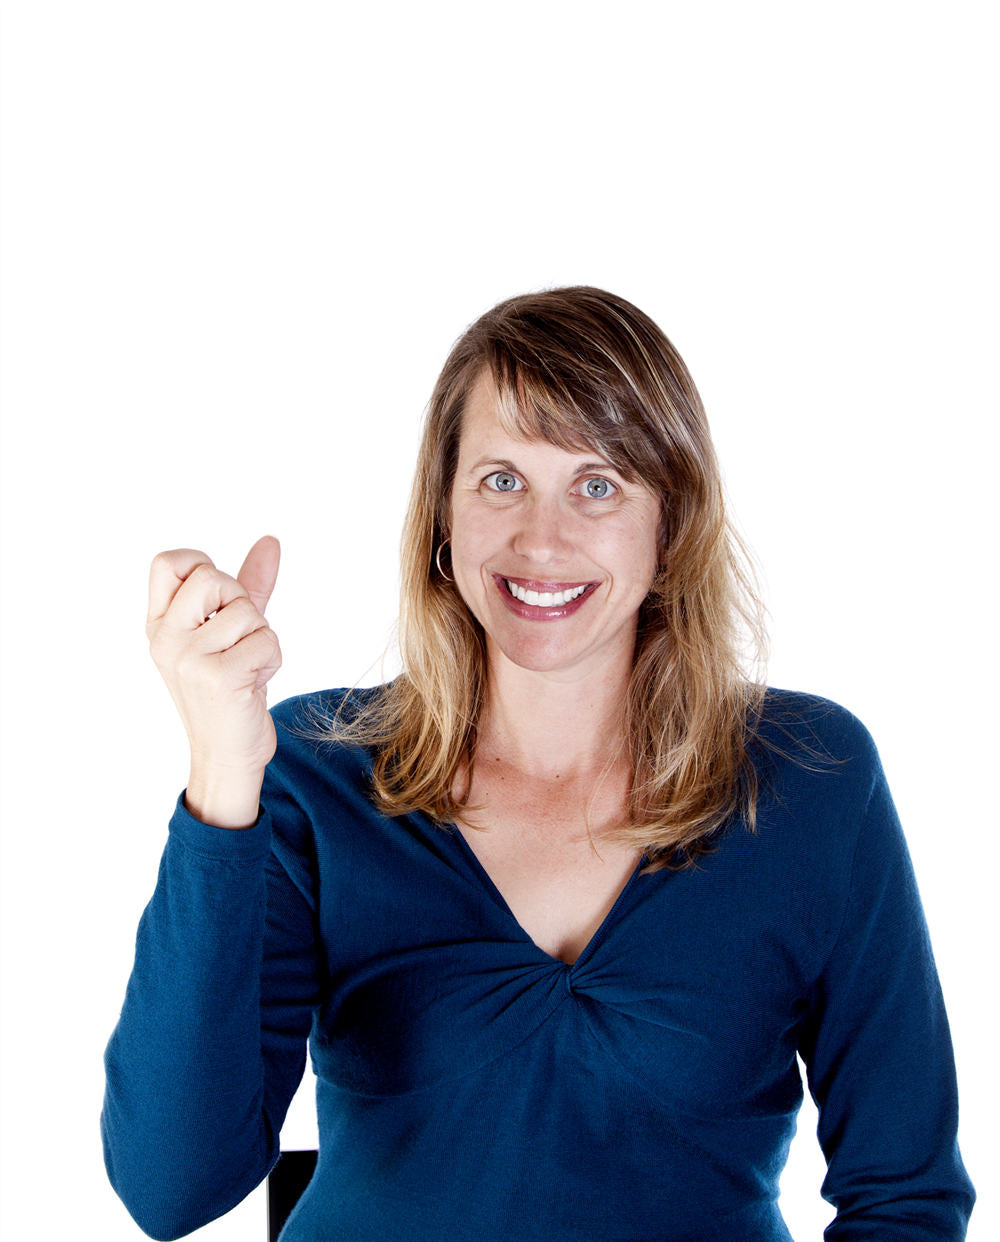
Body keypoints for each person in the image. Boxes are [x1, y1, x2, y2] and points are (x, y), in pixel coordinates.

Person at [101, 286, 975, 1240]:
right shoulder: (314, 772)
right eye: (501, 480)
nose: (541, 540)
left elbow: (905, 1197)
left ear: (669, 523)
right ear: (443, 513)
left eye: (597, 484)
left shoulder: (811, 779)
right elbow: (171, 1187)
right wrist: (225, 773)